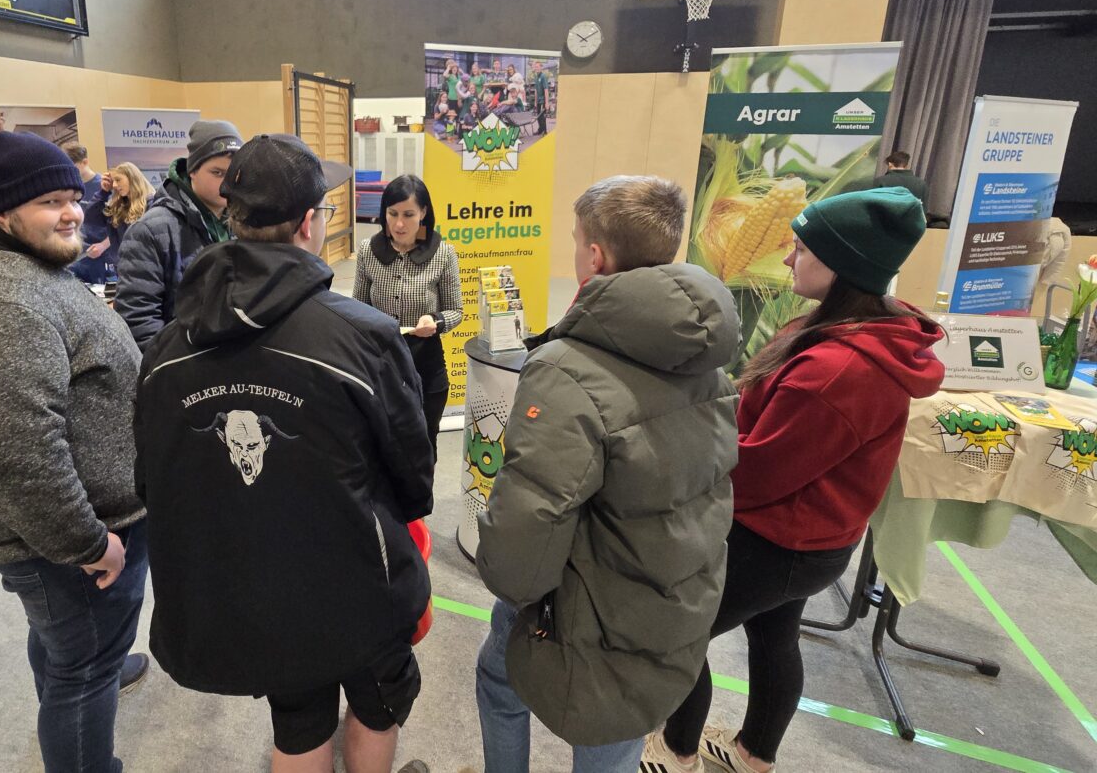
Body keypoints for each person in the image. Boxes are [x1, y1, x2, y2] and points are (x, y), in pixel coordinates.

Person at [134, 134, 433, 773]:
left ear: (230, 217)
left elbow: (154, 483)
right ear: (308, 224)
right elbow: (414, 480)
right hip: (356, 576)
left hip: (250, 588)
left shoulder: (164, 353)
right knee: (379, 702)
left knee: (297, 716)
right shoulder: (366, 337)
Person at [645, 187, 944, 773]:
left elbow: (758, 472)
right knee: (774, 637)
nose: (786, 258)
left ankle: (675, 750)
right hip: (813, 539)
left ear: (842, 266)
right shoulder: (847, 331)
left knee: (680, 635)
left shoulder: (838, 371)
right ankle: (754, 754)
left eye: (802, 249)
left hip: (776, 539)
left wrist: (678, 451)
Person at [0, 131, 149, 773]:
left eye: (73, 196)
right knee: (81, 672)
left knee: (69, 649)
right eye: (49, 202)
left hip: (74, 530)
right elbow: (20, 455)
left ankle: (96, 660)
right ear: (1, 212)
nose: (72, 212)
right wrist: (89, 543)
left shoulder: (21, 268)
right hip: (66, 541)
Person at [475, 175, 740, 773]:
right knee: (619, 731)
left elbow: (530, 519)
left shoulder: (567, 371)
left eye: (575, 240)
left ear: (594, 255)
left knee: (500, 683)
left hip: (587, 606)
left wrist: (508, 587)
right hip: (672, 598)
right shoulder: (709, 360)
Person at [352, 175, 462, 459]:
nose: (399, 224)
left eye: (409, 215)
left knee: (424, 444)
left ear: (424, 213)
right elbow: (357, 307)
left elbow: (457, 311)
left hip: (426, 365)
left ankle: (420, 504)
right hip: (380, 366)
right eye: (392, 214)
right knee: (381, 445)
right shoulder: (367, 251)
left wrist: (436, 322)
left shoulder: (443, 253)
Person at [115, 120, 242, 350]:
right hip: (181, 371)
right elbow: (138, 321)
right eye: (217, 173)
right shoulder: (150, 231)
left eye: (234, 174)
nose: (228, 183)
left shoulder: (242, 224)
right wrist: (174, 373)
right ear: (192, 170)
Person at [94, 162, 154, 267]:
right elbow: (91, 219)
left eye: (118, 180)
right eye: (113, 181)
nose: (114, 185)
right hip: (123, 270)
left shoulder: (152, 205)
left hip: (148, 270)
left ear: (132, 178)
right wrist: (103, 192)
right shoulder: (118, 207)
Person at [67, 144, 112, 284]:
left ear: (85, 162)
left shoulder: (105, 187)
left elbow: (121, 225)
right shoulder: (69, 187)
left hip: (101, 257)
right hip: (78, 258)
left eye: (72, 166)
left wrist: (103, 245)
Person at [531, 61, 551, 135]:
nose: (536, 68)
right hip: (538, 100)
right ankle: (540, 129)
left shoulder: (543, 76)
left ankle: (545, 132)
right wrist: (535, 102)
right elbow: (536, 90)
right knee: (538, 117)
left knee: (542, 117)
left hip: (543, 100)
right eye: (535, 67)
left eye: (538, 67)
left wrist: (547, 102)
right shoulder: (536, 77)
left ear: (541, 67)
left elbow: (546, 90)